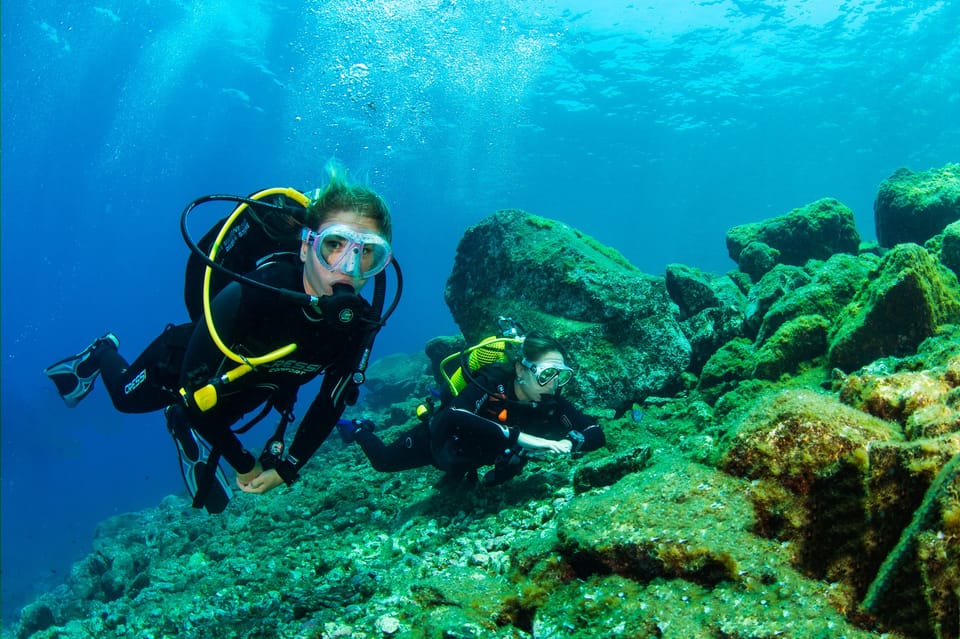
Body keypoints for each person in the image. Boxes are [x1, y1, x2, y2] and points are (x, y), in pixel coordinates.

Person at [43, 162, 398, 512]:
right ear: (306, 247)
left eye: (367, 252)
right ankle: (102, 352)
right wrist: (243, 462)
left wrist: (289, 465)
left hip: (248, 388)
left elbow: (332, 400)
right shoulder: (256, 292)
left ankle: (181, 423)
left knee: (210, 412)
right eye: (334, 245)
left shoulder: (356, 324)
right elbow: (194, 394)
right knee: (126, 399)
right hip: (185, 366)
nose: (348, 268)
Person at [339, 331, 605, 486]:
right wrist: (519, 436)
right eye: (547, 373)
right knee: (383, 462)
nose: (555, 383)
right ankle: (360, 429)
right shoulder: (491, 383)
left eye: (562, 375)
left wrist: (573, 443)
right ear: (521, 369)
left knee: (466, 480)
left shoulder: (550, 402)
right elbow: (455, 415)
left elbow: (595, 430)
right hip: (437, 443)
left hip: (475, 458)